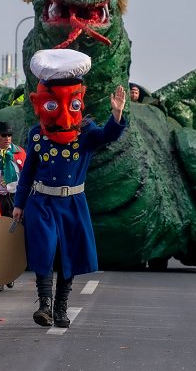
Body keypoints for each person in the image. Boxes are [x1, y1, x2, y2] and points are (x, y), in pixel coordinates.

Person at [12, 49, 127, 328]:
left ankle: (61, 307)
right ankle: (45, 305)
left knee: (67, 256)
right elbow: (27, 171)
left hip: (72, 204)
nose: (63, 116)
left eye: (71, 105)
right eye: (52, 106)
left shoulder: (86, 134)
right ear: (40, 103)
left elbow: (108, 135)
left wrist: (117, 113)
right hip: (42, 203)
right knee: (43, 251)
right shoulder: (36, 134)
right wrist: (19, 203)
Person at [0, 121, 26, 291]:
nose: (7, 138)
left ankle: (10, 273)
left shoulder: (20, 153)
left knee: (13, 238)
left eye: (9, 135)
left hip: (15, 199)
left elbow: (27, 176)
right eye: (3, 135)